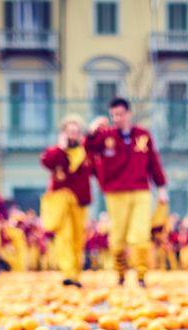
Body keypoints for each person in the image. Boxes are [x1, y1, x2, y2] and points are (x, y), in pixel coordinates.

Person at [86, 97, 167, 287]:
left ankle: (141, 274)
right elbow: (87, 150)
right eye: (114, 115)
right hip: (116, 191)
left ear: (129, 114)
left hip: (140, 190)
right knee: (118, 235)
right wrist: (92, 131)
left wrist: (161, 187)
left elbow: (153, 162)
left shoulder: (142, 135)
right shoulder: (105, 136)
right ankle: (120, 272)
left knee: (140, 233)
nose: (117, 118)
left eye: (121, 114)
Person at [40, 115, 92, 287]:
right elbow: (46, 161)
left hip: (80, 201)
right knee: (65, 237)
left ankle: (75, 274)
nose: (73, 135)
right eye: (70, 132)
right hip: (61, 202)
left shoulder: (86, 152)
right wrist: (60, 147)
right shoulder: (57, 153)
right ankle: (68, 273)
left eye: (76, 132)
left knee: (78, 239)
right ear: (63, 133)